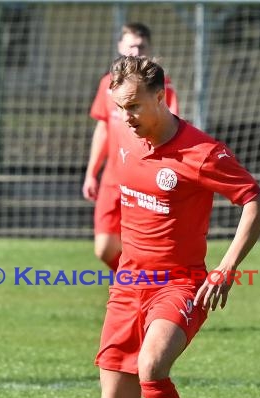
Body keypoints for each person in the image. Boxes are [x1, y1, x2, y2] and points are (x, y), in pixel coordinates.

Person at [95, 55, 260, 398]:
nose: (125, 117)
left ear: (160, 95)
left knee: (153, 365)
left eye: (132, 106)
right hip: (130, 282)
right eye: (119, 107)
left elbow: (255, 201)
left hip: (181, 282)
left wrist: (227, 268)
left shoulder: (202, 152)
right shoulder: (128, 143)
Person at [82, 23, 179, 271]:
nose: (135, 51)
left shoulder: (161, 87)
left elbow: (174, 127)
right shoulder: (107, 84)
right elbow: (103, 129)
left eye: (141, 46)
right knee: (104, 248)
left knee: (143, 247)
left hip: (143, 179)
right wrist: (92, 172)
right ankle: (136, 281)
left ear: (149, 48)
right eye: (131, 45)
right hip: (112, 179)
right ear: (120, 47)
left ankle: (141, 288)